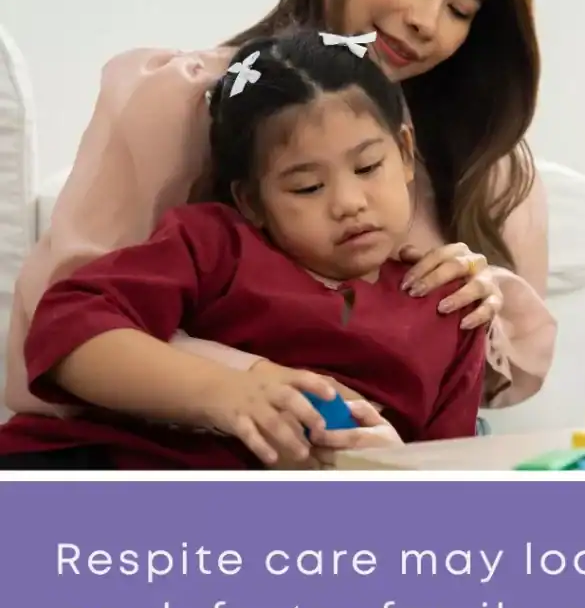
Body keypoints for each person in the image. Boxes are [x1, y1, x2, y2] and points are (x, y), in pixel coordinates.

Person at [3, 0, 556, 465]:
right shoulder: (184, 115)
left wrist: (479, 310)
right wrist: (254, 388)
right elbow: (61, 333)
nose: (427, 21)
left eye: (460, 10)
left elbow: (450, 441)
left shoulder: (484, 161)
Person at [0, 28, 488, 470]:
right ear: (252, 201)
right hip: (110, 471)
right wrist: (227, 392)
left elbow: (450, 484)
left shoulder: (450, 307)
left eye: (366, 168)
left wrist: (389, 468)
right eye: (307, 188)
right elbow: (66, 331)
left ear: (404, 153)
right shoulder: (216, 245)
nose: (348, 203)